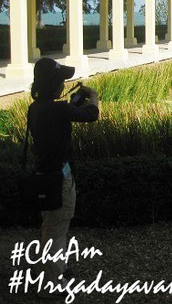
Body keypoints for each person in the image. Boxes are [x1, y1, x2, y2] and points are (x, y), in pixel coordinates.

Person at [27, 57, 99, 297]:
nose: (63, 85)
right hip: (58, 178)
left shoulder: (36, 107)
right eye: (61, 81)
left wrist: (69, 105)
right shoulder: (58, 109)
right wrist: (94, 97)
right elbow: (91, 115)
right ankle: (52, 285)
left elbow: (63, 114)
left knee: (50, 226)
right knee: (58, 228)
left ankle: (53, 269)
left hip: (42, 176)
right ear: (55, 84)